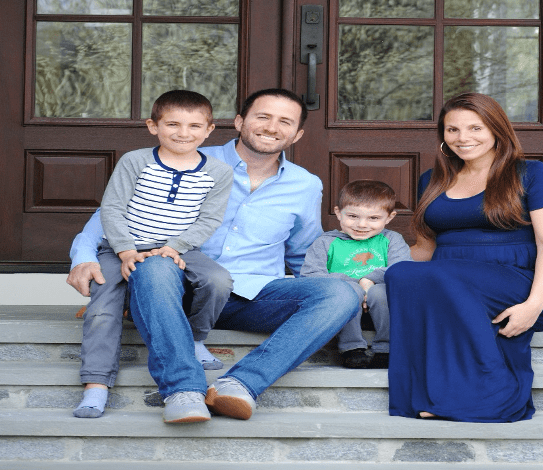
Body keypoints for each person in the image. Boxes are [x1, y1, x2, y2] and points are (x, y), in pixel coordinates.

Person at [67, 88, 360, 423]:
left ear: (297, 134)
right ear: (239, 121)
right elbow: (110, 214)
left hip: (250, 297)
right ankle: (183, 389)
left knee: (343, 290)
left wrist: (344, 305)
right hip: (175, 289)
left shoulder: (305, 185)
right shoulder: (187, 156)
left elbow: (305, 254)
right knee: (155, 265)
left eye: (285, 121)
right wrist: (84, 258)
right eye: (262, 117)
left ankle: (239, 385)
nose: (272, 127)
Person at [385, 92, 543, 423]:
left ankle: (494, 390)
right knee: (399, 276)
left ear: (497, 130)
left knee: (442, 276)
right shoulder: (433, 180)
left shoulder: (532, 173)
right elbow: (425, 249)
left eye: (475, 128)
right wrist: (370, 273)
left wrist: (535, 304)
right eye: (452, 129)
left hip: (522, 282)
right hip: (450, 283)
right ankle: (433, 395)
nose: (462, 138)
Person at [73, 90, 234, 422]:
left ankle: (194, 338)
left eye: (194, 126)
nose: (183, 133)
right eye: (172, 124)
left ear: (209, 130)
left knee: (218, 280)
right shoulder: (135, 161)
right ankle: (96, 384)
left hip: (180, 247)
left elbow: (209, 219)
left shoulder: (218, 172)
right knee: (103, 308)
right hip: (121, 246)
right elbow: (113, 209)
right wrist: (126, 250)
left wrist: (174, 246)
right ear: (153, 126)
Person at [300, 180, 411, 369]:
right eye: (352, 216)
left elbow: (401, 269)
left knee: (380, 292)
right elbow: (310, 275)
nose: (361, 224)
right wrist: (357, 283)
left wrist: (370, 280)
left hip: (382, 306)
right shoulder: (325, 242)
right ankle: (352, 349)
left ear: (390, 217)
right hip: (344, 310)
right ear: (338, 213)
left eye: (373, 218)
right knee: (349, 291)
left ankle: (386, 348)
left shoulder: (391, 239)